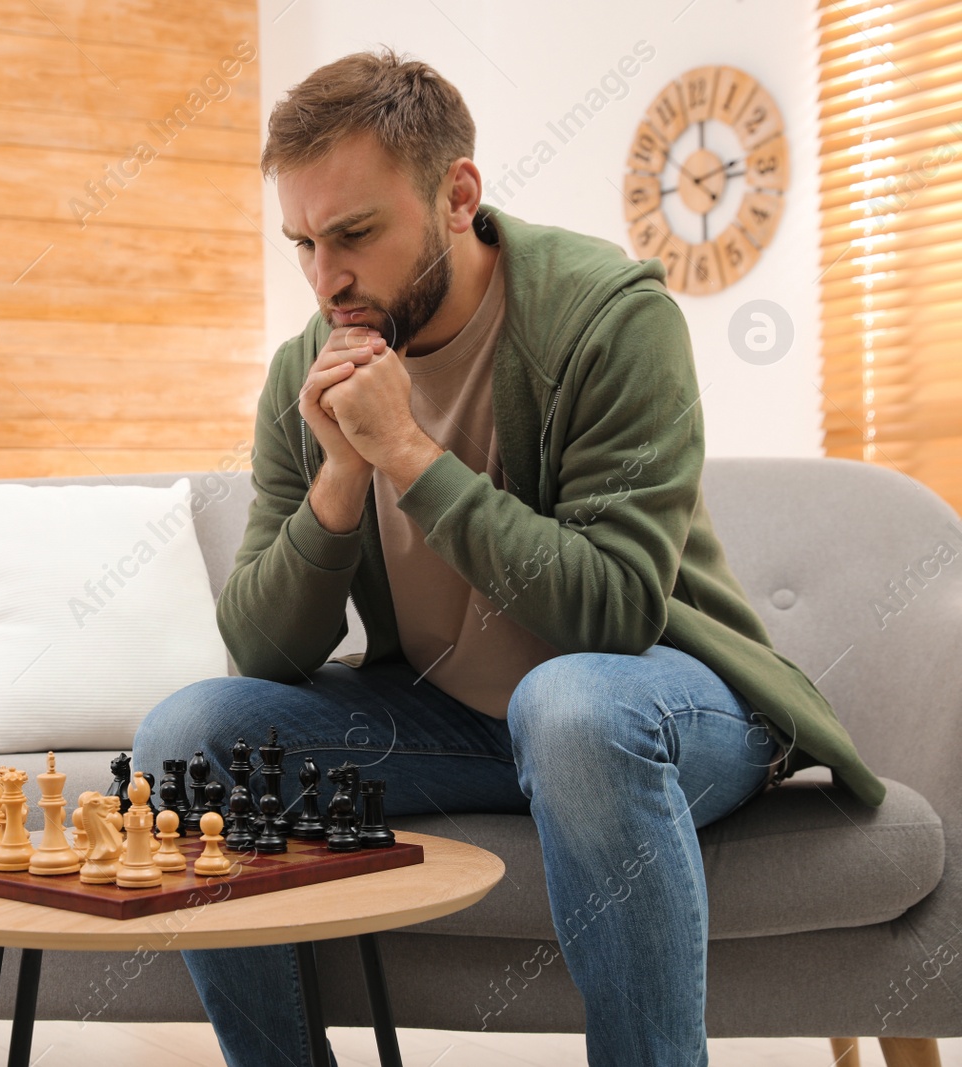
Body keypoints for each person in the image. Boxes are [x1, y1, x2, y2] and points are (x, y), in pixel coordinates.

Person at [132, 48, 882, 1067]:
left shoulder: (611, 316)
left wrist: (407, 451)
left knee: (567, 704)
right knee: (184, 734)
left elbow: (614, 611)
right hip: (454, 720)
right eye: (302, 241)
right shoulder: (304, 373)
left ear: (458, 194)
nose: (325, 278)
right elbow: (261, 648)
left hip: (664, 705)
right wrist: (342, 478)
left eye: (354, 233)